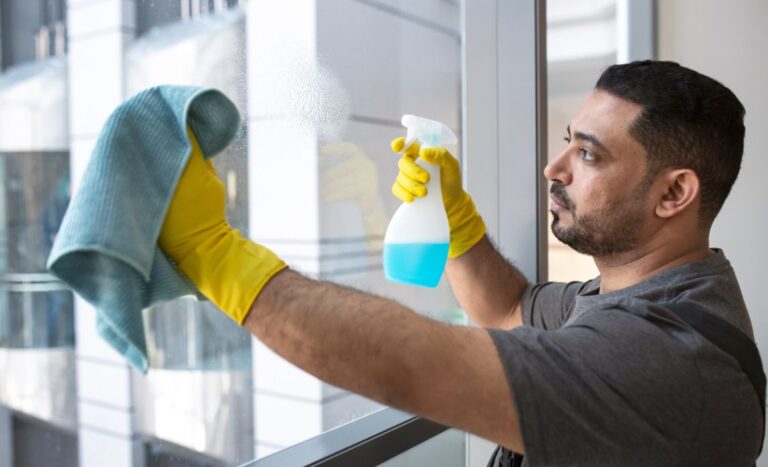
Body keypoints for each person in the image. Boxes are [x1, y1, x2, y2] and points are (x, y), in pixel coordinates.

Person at [157, 60, 762, 466]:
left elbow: (410, 366)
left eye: (588, 154)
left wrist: (216, 252)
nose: (555, 170)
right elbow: (504, 309)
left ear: (673, 194)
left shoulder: (667, 355)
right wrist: (455, 220)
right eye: (567, 141)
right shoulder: (637, 297)